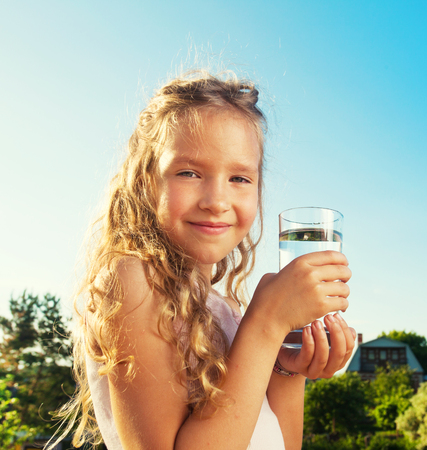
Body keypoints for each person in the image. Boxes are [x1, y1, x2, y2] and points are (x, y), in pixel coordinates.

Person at [48, 70, 354, 450]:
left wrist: (285, 368)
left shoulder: (226, 311)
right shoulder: (133, 281)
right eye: (189, 172)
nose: (216, 200)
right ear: (146, 182)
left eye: (239, 178)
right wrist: (267, 323)